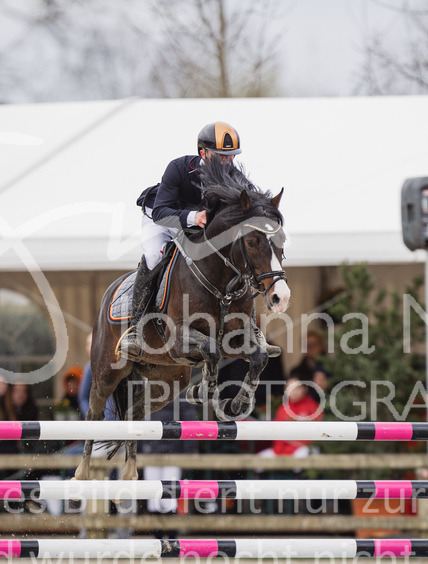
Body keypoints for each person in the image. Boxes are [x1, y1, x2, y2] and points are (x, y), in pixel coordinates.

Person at [119, 121, 247, 362]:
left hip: (198, 228)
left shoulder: (234, 177)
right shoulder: (178, 168)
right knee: (155, 256)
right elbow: (160, 213)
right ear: (203, 153)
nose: (227, 163)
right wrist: (192, 216)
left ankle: (249, 331)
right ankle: (135, 330)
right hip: (162, 219)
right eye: (221, 156)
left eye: (231, 157)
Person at [257, 378, 323, 459]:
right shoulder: (283, 409)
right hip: (281, 449)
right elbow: (277, 432)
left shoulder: (312, 406)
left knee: (308, 453)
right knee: (259, 459)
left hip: (302, 448)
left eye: (296, 388)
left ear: (304, 389)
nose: (293, 391)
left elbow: (318, 430)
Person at [289, 330, 329, 405]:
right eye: (305, 346)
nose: (309, 348)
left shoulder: (332, 368)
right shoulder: (296, 372)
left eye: (312, 344)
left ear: (321, 346)